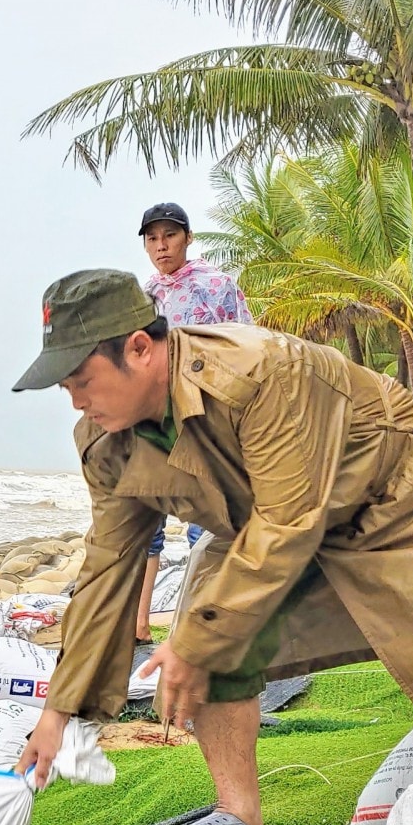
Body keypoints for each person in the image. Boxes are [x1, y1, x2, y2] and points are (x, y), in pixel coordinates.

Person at [11, 269, 413, 825]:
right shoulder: (104, 443)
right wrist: (58, 712)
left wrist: (193, 642)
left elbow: (288, 521)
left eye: (82, 380)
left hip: (407, 499)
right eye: (65, 389)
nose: (77, 403)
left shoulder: (261, 372)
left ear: (138, 348)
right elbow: (108, 567)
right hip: (273, 521)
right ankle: (237, 813)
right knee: (211, 619)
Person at [133, 201, 252, 640]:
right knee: (147, 522)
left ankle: (210, 627)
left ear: (187, 238)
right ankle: (140, 625)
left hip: (205, 420)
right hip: (154, 424)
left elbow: (247, 346)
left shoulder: (216, 286)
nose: (161, 246)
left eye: (170, 236)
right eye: (152, 238)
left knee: (208, 523)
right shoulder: (144, 295)